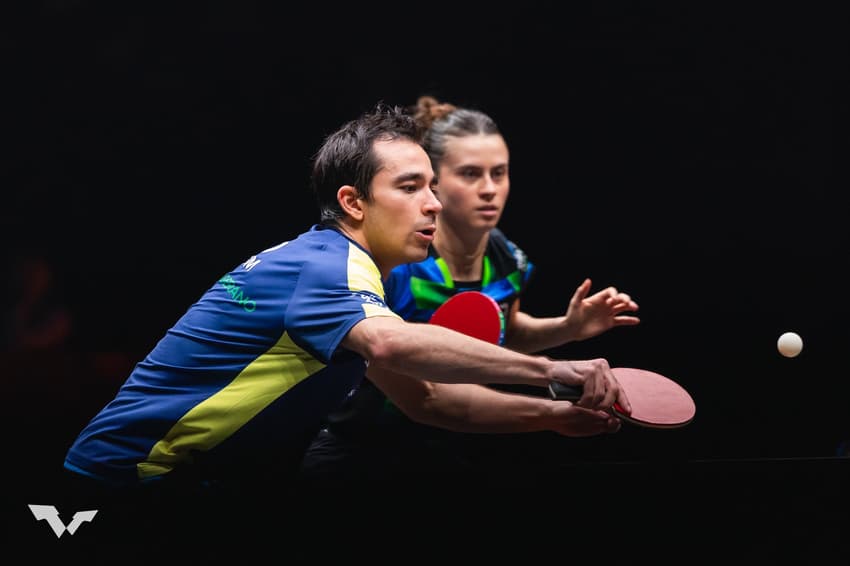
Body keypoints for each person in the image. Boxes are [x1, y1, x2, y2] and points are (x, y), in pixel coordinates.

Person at [62, 103, 629, 508]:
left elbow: (430, 401)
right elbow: (391, 343)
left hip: (194, 486)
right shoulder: (328, 266)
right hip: (121, 483)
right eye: (409, 187)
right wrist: (553, 372)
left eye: (433, 187)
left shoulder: (346, 282)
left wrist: (553, 416)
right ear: (353, 202)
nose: (433, 204)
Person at [300, 96, 640, 482]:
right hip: (364, 448)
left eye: (500, 173)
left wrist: (568, 328)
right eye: (470, 174)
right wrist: (550, 393)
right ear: (434, 182)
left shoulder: (507, 258)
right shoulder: (394, 264)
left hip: (459, 440)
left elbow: (502, 333)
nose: (489, 189)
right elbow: (424, 394)